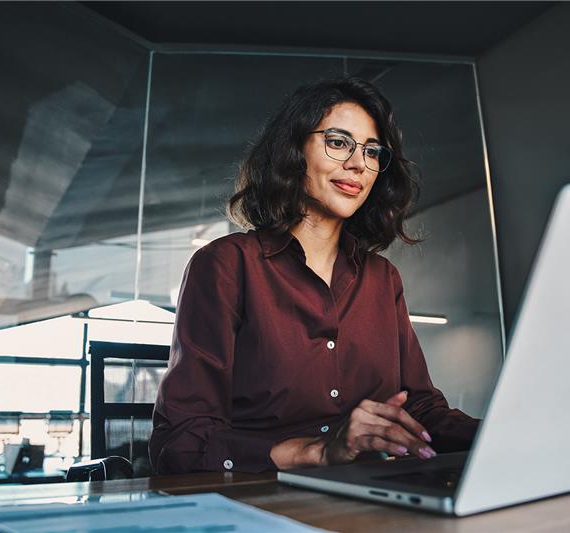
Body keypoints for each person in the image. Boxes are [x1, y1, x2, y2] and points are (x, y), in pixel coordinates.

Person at [149, 77, 479, 475]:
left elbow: (421, 409)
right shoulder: (226, 265)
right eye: (338, 142)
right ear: (293, 151)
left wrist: (504, 433)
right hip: (259, 498)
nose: (358, 164)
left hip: (368, 497)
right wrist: (315, 452)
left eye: (372, 151)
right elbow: (180, 442)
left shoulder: (382, 279)